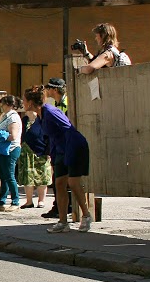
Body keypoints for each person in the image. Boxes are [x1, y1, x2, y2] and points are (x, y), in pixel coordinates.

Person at [23, 87, 93, 232]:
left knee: (73, 182)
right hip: (60, 150)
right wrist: (52, 156)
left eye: (24, 100)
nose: (23, 103)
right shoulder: (41, 115)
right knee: (59, 183)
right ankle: (63, 222)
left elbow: (68, 129)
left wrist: (68, 152)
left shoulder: (51, 112)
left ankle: (86, 216)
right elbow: (52, 138)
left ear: (30, 102)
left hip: (73, 146)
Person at [17, 90, 52, 209]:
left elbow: (48, 136)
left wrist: (48, 151)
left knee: (42, 176)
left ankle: (41, 200)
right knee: (28, 176)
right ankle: (29, 201)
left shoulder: (42, 118)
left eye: (25, 101)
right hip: (26, 152)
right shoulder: (24, 120)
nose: (23, 103)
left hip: (40, 150)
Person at [42, 78, 71, 219]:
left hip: (65, 145)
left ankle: (63, 208)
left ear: (54, 89)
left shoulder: (66, 103)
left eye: (48, 88)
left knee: (63, 179)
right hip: (57, 145)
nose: (46, 91)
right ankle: (60, 206)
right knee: (59, 179)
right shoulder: (57, 103)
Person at [0, 95, 23, 211]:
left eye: (2, 104)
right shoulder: (4, 117)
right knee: (3, 176)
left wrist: (0, 134)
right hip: (2, 149)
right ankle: (1, 201)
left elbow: (13, 136)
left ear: (8, 105)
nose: (1, 106)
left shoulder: (13, 118)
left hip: (11, 149)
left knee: (10, 175)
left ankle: (15, 201)